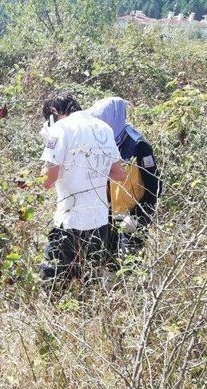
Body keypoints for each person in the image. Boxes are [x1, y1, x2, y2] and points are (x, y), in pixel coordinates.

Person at [39, 91, 126, 282]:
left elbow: (46, 181)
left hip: (70, 219)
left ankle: (55, 311)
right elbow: (119, 174)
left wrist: (50, 142)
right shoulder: (104, 128)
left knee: (53, 279)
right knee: (90, 280)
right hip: (99, 219)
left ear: (55, 112)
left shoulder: (61, 129)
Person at [88, 97, 161, 258]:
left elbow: (154, 186)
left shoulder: (138, 145)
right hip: (106, 218)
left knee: (129, 267)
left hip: (130, 217)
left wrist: (138, 218)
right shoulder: (103, 142)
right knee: (107, 265)